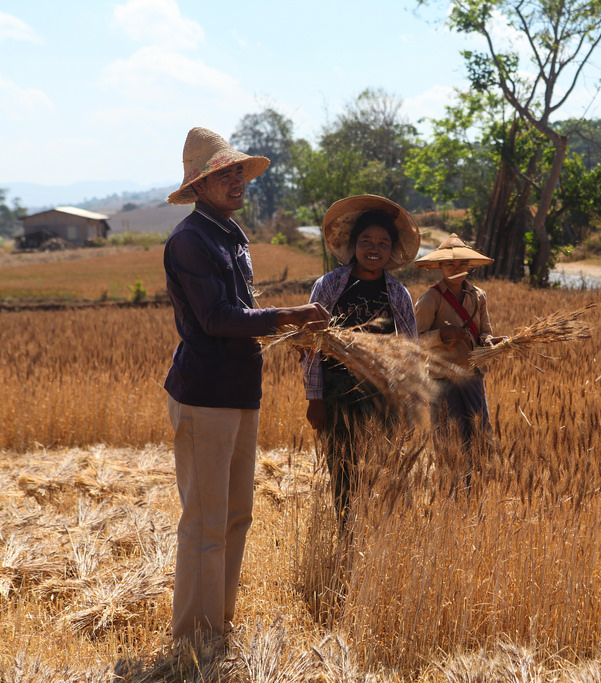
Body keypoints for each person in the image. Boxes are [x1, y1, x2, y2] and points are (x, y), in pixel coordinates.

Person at [163, 127, 330, 645]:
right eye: (222, 173)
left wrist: (290, 328)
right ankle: (194, 635)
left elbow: (243, 314)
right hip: (204, 394)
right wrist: (288, 316)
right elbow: (216, 318)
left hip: (240, 390)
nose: (235, 179)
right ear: (199, 185)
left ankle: (219, 624)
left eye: (237, 170)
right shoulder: (190, 240)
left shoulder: (230, 234)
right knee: (205, 520)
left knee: (236, 516)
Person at [302, 195, 420, 523]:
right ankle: (348, 535)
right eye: (366, 240)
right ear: (353, 244)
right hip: (337, 394)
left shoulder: (397, 294)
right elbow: (312, 345)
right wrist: (314, 398)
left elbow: (409, 351)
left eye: (382, 243)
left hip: (383, 397)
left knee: (381, 470)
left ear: (391, 250)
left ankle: (375, 537)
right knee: (342, 469)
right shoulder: (329, 287)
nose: (374, 248)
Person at [413, 234, 503, 455]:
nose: (457, 268)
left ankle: (478, 483)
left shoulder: (479, 296)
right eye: (450, 264)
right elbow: (415, 340)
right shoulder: (430, 299)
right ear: (440, 267)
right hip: (442, 377)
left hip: (473, 373)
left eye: (462, 263)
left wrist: (490, 342)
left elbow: (485, 332)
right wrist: (443, 334)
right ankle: (450, 484)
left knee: (481, 431)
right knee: (448, 435)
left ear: (469, 266)